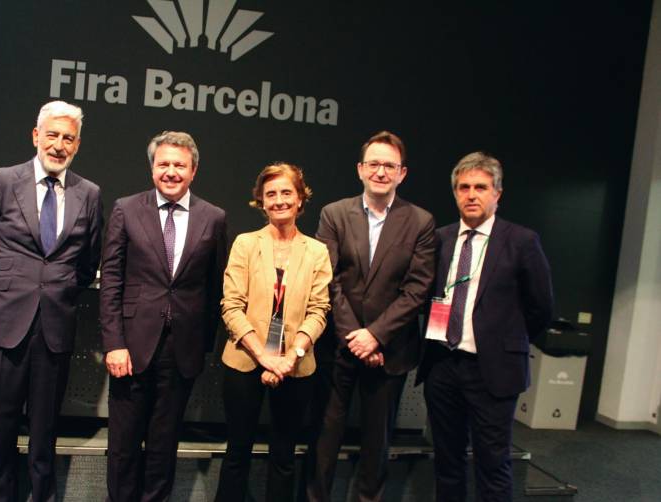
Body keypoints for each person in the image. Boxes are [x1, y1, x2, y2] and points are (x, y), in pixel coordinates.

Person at [0, 101, 103, 501]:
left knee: (45, 435)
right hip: (5, 326)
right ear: (36, 135)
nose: (59, 145)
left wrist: (54, 292)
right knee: (2, 433)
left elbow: (87, 262)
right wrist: (6, 289)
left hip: (54, 330)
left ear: (77, 145)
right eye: (53, 135)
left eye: (69, 138)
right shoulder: (3, 180)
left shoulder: (89, 193)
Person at [305, 131, 435, 502]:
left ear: (402, 173)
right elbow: (327, 280)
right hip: (340, 346)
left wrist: (375, 336)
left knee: (377, 443)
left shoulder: (421, 222)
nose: (381, 172)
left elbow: (417, 290)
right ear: (360, 169)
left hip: (389, 350)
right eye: (374, 164)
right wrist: (355, 337)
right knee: (325, 437)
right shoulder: (334, 214)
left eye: (389, 166)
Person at [417, 152, 553, 501]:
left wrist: (504, 344)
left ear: (497, 193)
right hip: (443, 367)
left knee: (493, 466)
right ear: (455, 193)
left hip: (492, 371)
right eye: (464, 187)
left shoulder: (521, 241)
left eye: (481, 187)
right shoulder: (441, 239)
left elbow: (541, 308)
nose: (471, 194)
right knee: (447, 463)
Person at [100, 130, 227, 502]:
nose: (171, 171)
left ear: (193, 171)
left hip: (181, 350)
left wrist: (202, 345)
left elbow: (215, 285)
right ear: (152, 167)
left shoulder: (214, 218)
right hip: (130, 348)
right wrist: (114, 344)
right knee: (123, 445)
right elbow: (112, 280)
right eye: (164, 164)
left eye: (179, 165)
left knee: (163, 444)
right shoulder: (126, 208)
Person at [214, 163, 332, 502]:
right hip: (245, 362)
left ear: (299, 200)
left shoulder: (316, 251)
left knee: (284, 456)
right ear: (261, 202)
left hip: (296, 367)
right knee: (238, 452)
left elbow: (319, 309)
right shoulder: (245, 244)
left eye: (286, 193)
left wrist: (290, 356)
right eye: (271, 194)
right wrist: (264, 356)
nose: (279, 200)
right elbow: (231, 306)